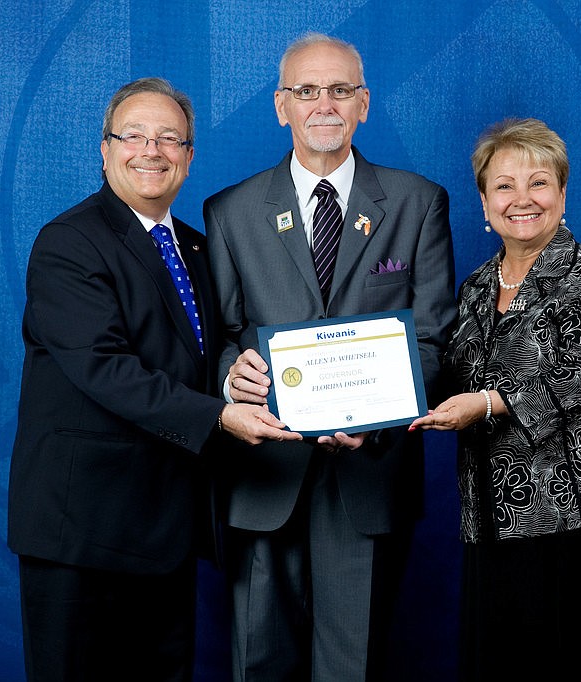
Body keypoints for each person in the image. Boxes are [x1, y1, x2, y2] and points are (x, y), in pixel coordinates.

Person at [7, 77, 299, 682]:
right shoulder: (69, 242)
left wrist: (240, 377)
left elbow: (207, 355)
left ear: (189, 158)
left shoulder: (194, 248)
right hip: (82, 530)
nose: (151, 150)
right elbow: (104, 367)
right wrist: (220, 416)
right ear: (105, 148)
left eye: (170, 138)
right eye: (133, 135)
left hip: (166, 527)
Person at [203, 33, 456, 682]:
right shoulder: (229, 212)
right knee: (259, 663)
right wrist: (233, 376)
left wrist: (379, 413)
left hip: (369, 475)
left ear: (364, 104)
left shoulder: (417, 202)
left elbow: (434, 339)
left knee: (354, 665)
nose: (325, 104)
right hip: (265, 472)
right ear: (280, 106)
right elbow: (222, 335)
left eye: (341, 89)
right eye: (306, 91)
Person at [410, 118, 581, 680]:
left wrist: (490, 403)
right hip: (495, 519)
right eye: (504, 185)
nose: (522, 199)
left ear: (562, 194)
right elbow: (448, 375)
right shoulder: (477, 287)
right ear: (483, 200)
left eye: (539, 182)